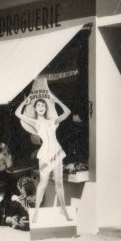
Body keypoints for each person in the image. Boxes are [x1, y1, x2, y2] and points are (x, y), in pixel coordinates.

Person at [15, 91, 72, 223]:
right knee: (43, 182)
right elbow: (18, 114)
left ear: (46, 108)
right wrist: (26, 102)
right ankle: (35, 212)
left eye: (43, 106)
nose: (41, 107)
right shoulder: (35, 122)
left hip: (57, 152)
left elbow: (68, 112)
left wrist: (56, 100)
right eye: (39, 106)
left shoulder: (53, 121)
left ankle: (63, 209)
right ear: (35, 109)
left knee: (59, 181)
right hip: (45, 153)